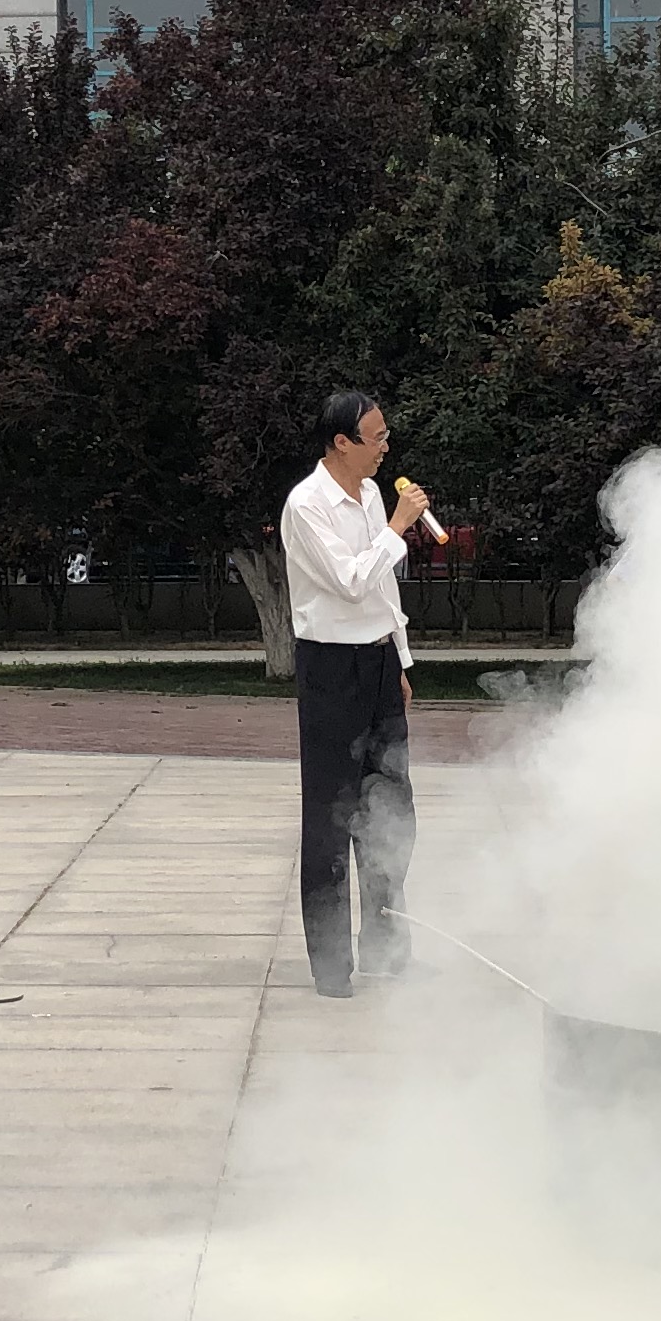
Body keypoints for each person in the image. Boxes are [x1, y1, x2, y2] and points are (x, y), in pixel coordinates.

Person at [283, 389, 423, 996]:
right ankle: (332, 964)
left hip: (379, 659)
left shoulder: (369, 494)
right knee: (331, 814)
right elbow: (350, 581)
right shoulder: (307, 504)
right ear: (342, 443)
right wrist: (397, 528)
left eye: (387, 435)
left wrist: (401, 661)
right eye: (377, 438)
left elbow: (383, 590)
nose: (385, 448)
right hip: (331, 668)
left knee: (391, 805)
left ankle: (387, 950)